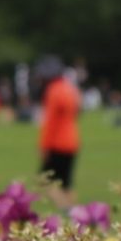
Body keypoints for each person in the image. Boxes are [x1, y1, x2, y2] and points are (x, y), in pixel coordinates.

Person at [35, 57, 81, 207]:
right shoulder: (69, 88)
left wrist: (44, 146)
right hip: (72, 141)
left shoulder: (53, 91)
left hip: (57, 143)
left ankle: (67, 209)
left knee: (44, 181)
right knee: (66, 184)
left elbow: (50, 122)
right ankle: (76, 213)